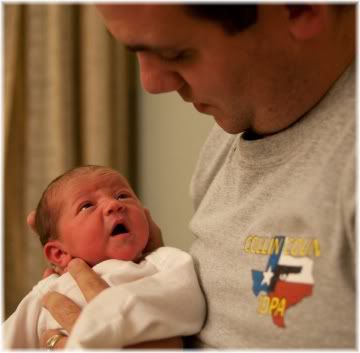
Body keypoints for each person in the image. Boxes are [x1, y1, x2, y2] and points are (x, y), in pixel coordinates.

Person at [28, 4, 355, 349]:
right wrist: (142, 282)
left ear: (299, 9)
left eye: (176, 53)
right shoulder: (229, 134)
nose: (151, 84)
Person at [4, 165, 205, 349]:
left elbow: (191, 309)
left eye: (122, 195)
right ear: (59, 253)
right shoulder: (49, 291)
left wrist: (111, 321)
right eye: (86, 206)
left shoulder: (161, 263)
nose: (113, 205)